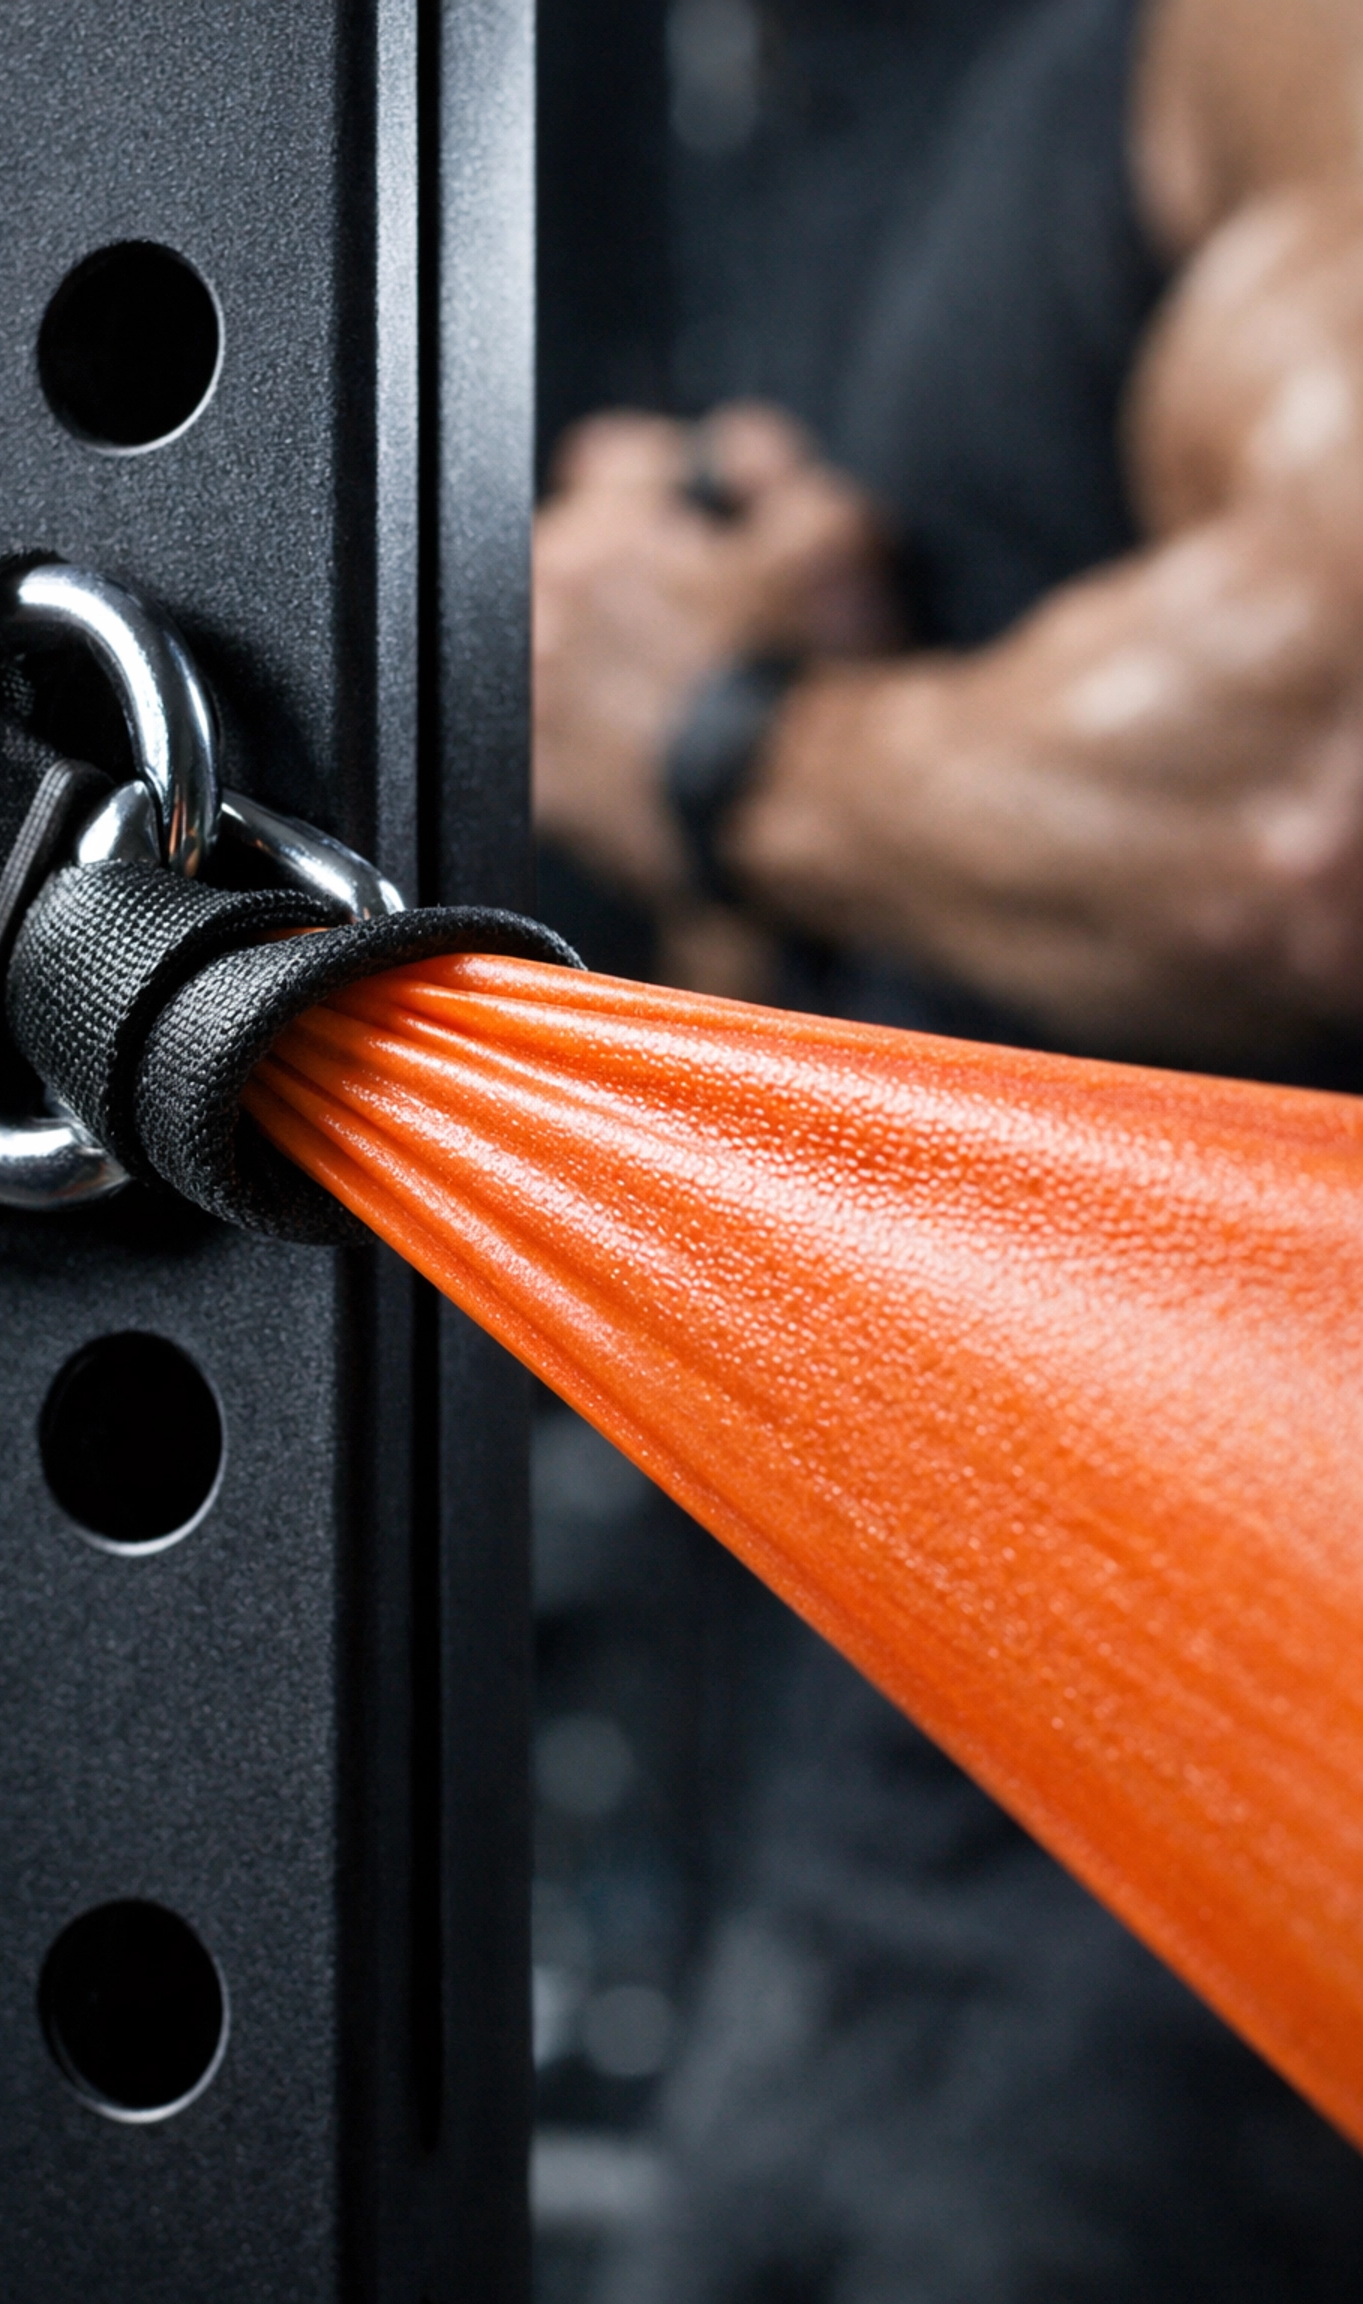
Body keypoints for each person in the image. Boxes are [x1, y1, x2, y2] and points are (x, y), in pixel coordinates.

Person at [533, 0, 1363, 2293]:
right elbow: (938, 1013)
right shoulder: (882, 119)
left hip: (1194, 1958)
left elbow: (1326, 788)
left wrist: (721, 739)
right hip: (887, 1852)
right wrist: (732, 795)